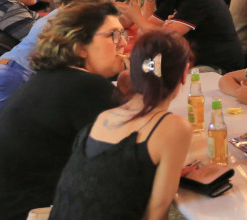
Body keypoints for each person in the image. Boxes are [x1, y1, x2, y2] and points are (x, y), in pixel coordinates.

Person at [0, 0, 126, 220]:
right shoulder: (86, 86)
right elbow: (129, 160)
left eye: (122, 34)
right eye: (113, 35)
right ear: (80, 46)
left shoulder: (50, 79)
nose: (123, 43)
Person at [48, 30, 192, 220]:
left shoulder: (104, 117)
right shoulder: (174, 127)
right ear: (184, 73)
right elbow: (157, 212)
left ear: (132, 71)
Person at [123, 0, 244, 72]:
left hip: (219, 67)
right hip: (194, 62)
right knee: (138, 68)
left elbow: (167, 36)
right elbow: (143, 32)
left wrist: (137, 17)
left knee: (154, 74)